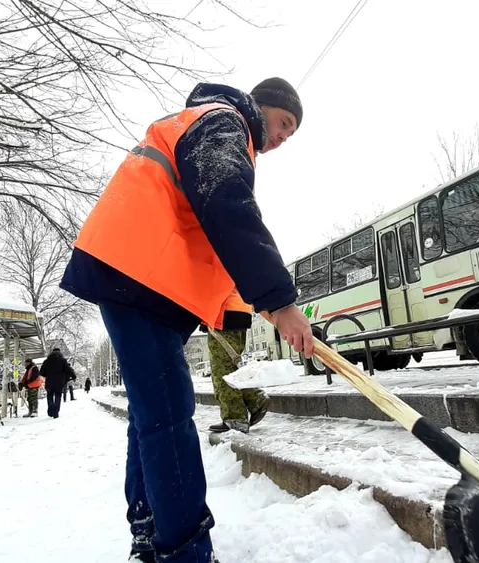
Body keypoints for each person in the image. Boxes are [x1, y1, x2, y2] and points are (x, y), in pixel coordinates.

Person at [60, 78, 314, 563]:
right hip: (138, 275)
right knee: (169, 414)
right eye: (283, 123)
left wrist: (244, 306)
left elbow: (208, 234)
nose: (282, 138)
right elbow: (229, 208)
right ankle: (185, 552)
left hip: (140, 275)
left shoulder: (205, 123)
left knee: (152, 412)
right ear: (262, 106)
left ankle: (149, 529)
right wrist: (281, 303)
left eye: (291, 133)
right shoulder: (224, 121)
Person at [204, 325, 269, 434]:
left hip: (220, 319)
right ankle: (255, 399)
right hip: (236, 315)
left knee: (222, 369)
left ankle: (235, 418)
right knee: (231, 365)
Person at [40, 347, 76, 418]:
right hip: (59, 382)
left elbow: (41, 372)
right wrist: (73, 376)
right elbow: (68, 370)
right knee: (58, 396)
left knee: (49, 395)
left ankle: (51, 408)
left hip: (49, 381)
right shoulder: (63, 361)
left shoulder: (46, 361)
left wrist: (47, 375)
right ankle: (56, 411)